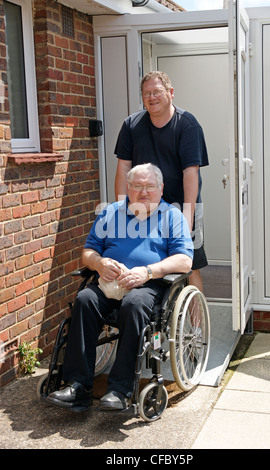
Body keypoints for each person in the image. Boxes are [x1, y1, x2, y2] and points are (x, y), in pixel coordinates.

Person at [46, 163, 193, 412]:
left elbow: (184, 260)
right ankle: (78, 386)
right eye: (137, 186)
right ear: (128, 187)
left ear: (161, 188)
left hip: (148, 286)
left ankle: (119, 389)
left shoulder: (172, 216)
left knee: (133, 304)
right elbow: (88, 252)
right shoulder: (110, 213)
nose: (143, 192)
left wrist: (147, 272)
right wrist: (99, 262)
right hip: (108, 282)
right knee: (84, 299)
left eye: (150, 187)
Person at [114, 71, 209, 293]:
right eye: (146, 93)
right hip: (144, 207)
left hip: (181, 205)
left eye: (157, 91)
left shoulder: (187, 125)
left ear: (171, 93)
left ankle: (196, 327)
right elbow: (123, 169)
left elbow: (190, 173)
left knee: (190, 266)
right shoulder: (131, 125)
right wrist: (121, 208)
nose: (151, 97)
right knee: (142, 259)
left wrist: (188, 216)